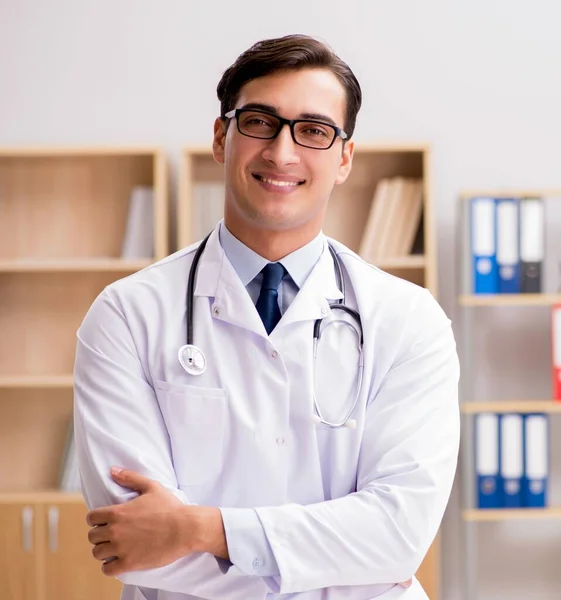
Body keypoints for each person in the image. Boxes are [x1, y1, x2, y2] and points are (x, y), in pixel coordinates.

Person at [74, 34, 460, 600]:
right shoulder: (128, 315)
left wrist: (200, 529)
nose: (282, 153)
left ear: (344, 157)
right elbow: (133, 546)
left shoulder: (409, 320)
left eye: (313, 130)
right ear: (220, 137)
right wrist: (341, 561)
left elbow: (400, 537)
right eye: (259, 122)